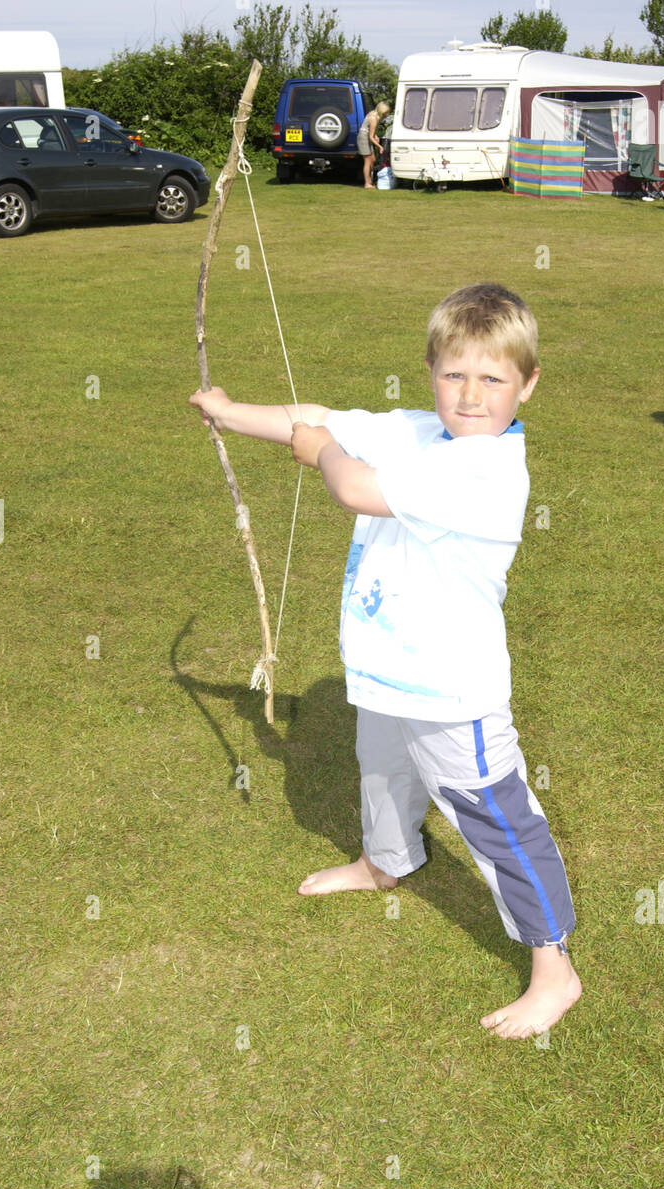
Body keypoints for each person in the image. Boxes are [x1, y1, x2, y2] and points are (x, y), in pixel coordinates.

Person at [189, 283, 581, 1040]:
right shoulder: (414, 430)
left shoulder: (486, 472)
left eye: (492, 379)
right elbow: (314, 418)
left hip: (450, 690)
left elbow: (352, 483)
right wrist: (228, 411)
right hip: (383, 672)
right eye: (453, 374)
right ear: (430, 371)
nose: (469, 395)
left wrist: (323, 450)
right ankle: (386, 862)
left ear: (526, 383)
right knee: (382, 773)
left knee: (495, 820)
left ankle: (553, 968)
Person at [357, 102, 390, 188]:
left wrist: (376, 136)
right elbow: (370, 137)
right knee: (368, 161)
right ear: (381, 112)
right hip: (363, 139)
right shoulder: (374, 119)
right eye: (386, 113)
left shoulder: (372, 113)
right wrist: (380, 146)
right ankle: (367, 183)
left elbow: (369, 130)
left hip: (366, 137)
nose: (386, 115)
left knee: (373, 159)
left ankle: (370, 181)